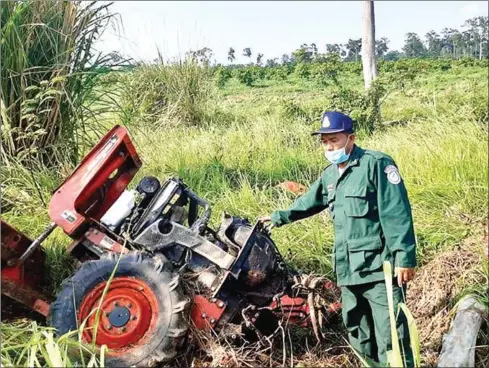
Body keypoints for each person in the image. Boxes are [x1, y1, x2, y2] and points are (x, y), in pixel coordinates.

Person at [259, 111, 416, 366]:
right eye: (325, 141)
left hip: (380, 271)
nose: (329, 146)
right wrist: (278, 216)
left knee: (392, 336)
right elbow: (309, 201)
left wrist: (405, 258)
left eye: (334, 140)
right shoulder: (330, 175)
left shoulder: (376, 164)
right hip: (348, 270)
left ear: (351, 138)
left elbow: (396, 212)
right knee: (359, 334)